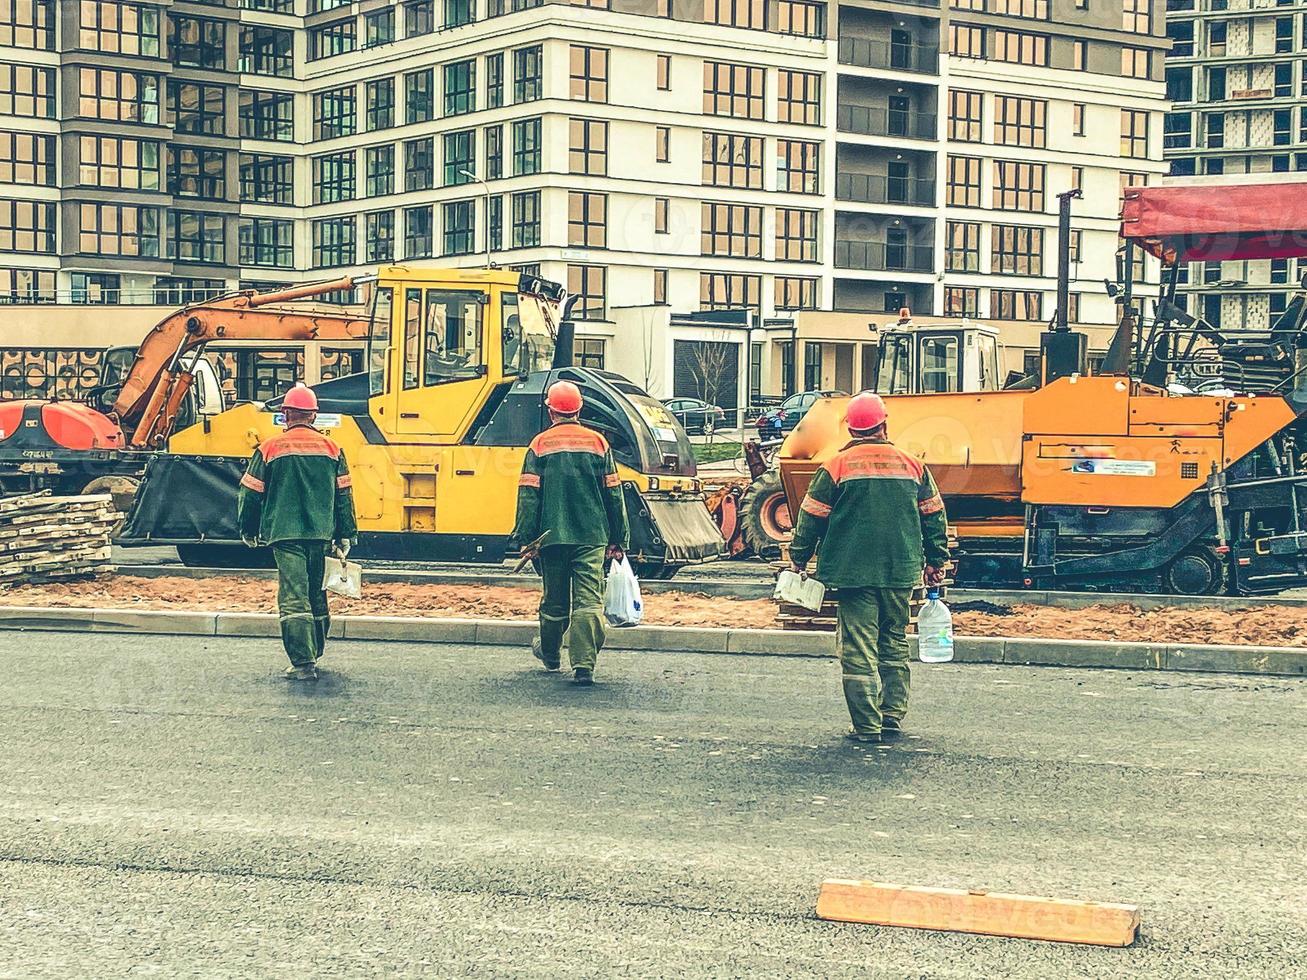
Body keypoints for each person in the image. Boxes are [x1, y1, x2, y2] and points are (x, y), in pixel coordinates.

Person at [788, 392, 949, 743]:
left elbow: (811, 516)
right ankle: (891, 715)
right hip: (900, 570)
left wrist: (798, 556)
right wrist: (936, 561)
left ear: (851, 428)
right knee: (893, 641)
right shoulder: (913, 465)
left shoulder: (835, 467)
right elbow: (934, 516)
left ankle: (867, 725)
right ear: (884, 424)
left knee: (858, 647)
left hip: (853, 572)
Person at [237, 383, 358, 681]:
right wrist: (346, 533)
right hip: (321, 533)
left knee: (294, 595)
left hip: (284, 533)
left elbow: (250, 493)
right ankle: (315, 651)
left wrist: (248, 529)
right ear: (314, 416)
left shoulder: (269, 448)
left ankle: (303, 662)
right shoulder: (333, 449)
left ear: (286, 414)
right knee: (317, 592)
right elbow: (344, 495)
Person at [513, 381, 629, 686]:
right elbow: (614, 495)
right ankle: (583, 665)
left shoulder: (539, 445)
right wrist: (619, 537)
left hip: (551, 537)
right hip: (592, 535)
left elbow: (529, 495)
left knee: (554, 601)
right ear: (579, 410)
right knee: (589, 601)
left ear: (551, 411)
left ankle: (550, 654)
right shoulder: (598, 443)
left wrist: (525, 538)